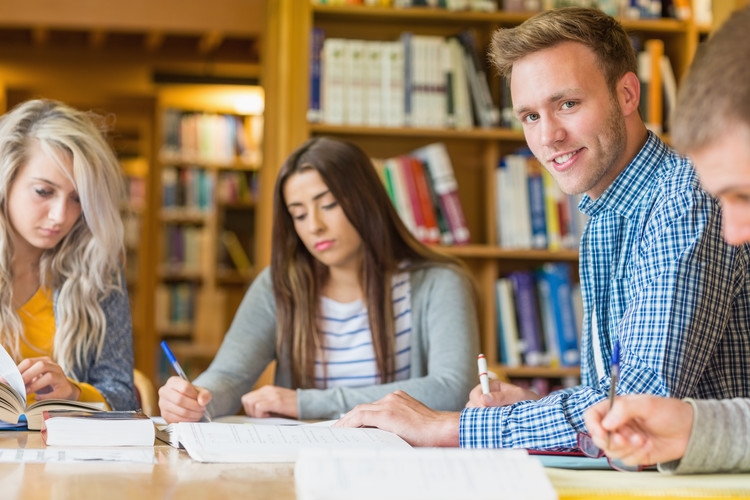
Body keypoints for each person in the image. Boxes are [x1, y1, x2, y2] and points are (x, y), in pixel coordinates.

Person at [335, 7, 750, 450]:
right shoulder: (606, 213)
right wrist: (533, 406)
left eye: (567, 104)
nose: (548, 136)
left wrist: (448, 427)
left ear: (628, 94)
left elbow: (640, 400)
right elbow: (613, 414)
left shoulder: (684, 196)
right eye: (530, 116)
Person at [157, 136, 479, 422]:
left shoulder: (440, 283)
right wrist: (195, 398)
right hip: (304, 461)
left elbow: (451, 388)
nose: (314, 226)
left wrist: (304, 403)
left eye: (328, 204)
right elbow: (229, 375)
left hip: (398, 462)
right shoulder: (277, 286)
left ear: (367, 200)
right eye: (298, 214)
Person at [584, 6, 750, 474]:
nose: (733, 233)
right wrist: (695, 429)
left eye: (744, 195)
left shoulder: (680, 197)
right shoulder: (602, 217)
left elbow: (643, 384)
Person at [0, 99, 137, 411]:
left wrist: (74, 392)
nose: (61, 215)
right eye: (44, 192)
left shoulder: (99, 271)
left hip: (63, 453)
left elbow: (122, 393)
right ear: (6, 180)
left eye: (77, 198)